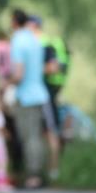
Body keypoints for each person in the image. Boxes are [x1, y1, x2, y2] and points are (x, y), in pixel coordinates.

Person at [9, 8, 50, 189]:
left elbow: (19, 74)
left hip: (26, 95)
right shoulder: (35, 39)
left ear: (14, 22)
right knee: (36, 136)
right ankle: (38, 174)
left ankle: (33, 177)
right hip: (39, 93)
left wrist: (5, 84)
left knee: (29, 137)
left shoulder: (18, 40)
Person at [26, 15, 62, 181]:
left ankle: (54, 171)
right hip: (34, 96)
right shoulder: (31, 46)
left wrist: (34, 69)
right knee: (37, 135)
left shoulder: (45, 45)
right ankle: (41, 172)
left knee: (50, 133)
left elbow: (54, 67)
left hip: (45, 95)